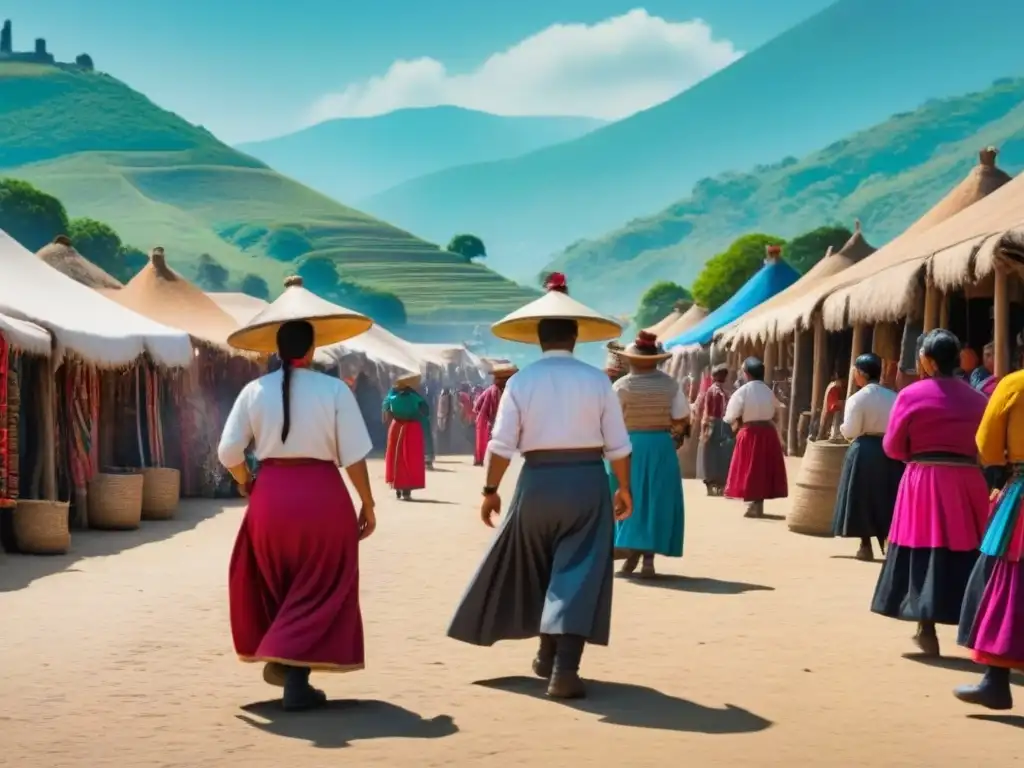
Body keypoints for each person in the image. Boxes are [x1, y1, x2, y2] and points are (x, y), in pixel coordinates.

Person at [448, 272, 632, 700]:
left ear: (538, 339)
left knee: (539, 568)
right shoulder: (596, 381)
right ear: (575, 337)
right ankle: (563, 668)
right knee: (579, 572)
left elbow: (501, 445)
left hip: (535, 484)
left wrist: (490, 490)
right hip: (587, 481)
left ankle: (545, 655)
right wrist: (623, 488)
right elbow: (618, 446)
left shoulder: (520, 382)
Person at [218, 276, 376, 712]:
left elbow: (228, 450)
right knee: (320, 586)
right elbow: (354, 456)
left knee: (279, 584)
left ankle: (292, 672)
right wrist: (368, 502)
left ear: (277, 350)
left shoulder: (254, 391)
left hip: (270, 499)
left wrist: (244, 481)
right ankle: (289, 666)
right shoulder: (334, 390)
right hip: (323, 499)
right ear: (310, 351)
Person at [870, 329, 989, 656]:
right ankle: (975, 626)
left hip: (923, 480)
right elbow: (987, 447)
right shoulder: (978, 398)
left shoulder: (911, 395)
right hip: (967, 480)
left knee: (923, 545)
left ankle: (926, 626)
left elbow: (893, 446)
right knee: (968, 548)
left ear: (927, 360)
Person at [955, 369, 1024, 710]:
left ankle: (995, 683)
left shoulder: (1014, 385)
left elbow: (987, 443)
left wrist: (1001, 462)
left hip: (1022, 494)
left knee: (1006, 582)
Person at [612, 331, 689, 578]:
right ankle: (647, 560)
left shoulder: (621, 386)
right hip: (661, 446)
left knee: (627, 496)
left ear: (631, 361)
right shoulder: (670, 385)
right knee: (656, 500)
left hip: (629, 446)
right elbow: (681, 417)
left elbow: (611, 421)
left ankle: (630, 552)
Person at [831, 353, 904, 561]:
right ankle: (890, 542)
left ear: (861, 373)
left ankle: (865, 545)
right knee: (887, 494)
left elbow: (851, 430)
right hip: (889, 450)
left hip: (863, 450)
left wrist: (844, 430)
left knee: (862, 497)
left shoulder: (857, 398)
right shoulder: (893, 397)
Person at [723, 357, 788, 518]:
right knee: (762, 470)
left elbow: (730, 416)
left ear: (746, 374)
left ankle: (753, 504)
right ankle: (757, 504)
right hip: (768, 433)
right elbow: (777, 410)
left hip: (750, 433)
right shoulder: (768, 391)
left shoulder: (742, 392)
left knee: (750, 469)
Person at [382, 372, 429, 500]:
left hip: (396, 426)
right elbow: (426, 411)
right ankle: (407, 490)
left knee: (395, 457)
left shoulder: (391, 397)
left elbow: (385, 413)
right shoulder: (415, 397)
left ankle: (397, 486)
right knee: (410, 458)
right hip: (412, 428)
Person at [697, 363, 734, 497]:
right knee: (719, 455)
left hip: (714, 424)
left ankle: (713, 484)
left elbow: (706, 411)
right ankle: (717, 484)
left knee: (711, 455)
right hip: (719, 425)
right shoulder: (720, 392)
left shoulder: (715, 391)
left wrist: (704, 428)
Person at [472, 365, 518, 466]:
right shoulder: (510, 391)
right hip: (495, 425)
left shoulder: (510, 391)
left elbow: (477, 407)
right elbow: (479, 407)